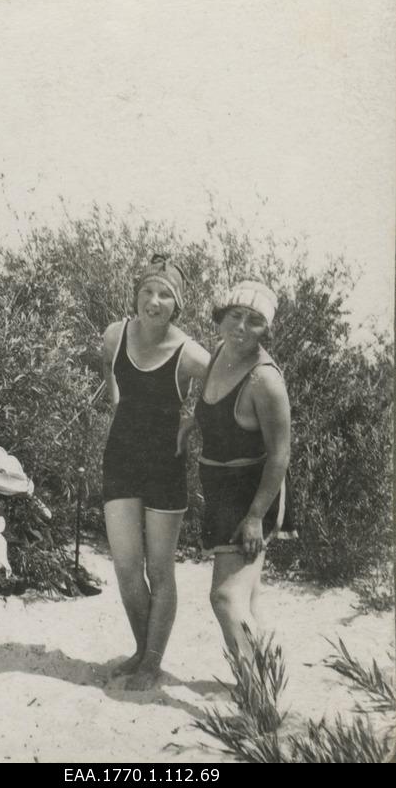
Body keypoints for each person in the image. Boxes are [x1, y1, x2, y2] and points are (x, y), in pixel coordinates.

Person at [102, 254, 209, 691]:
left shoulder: (189, 353)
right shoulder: (115, 334)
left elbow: (229, 382)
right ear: (136, 295)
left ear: (177, 305)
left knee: (160, 569)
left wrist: (194, 419)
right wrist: (117, 409)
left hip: (166, 465)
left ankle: (152, 662)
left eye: (165, 294)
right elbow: (110, 377)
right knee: (127, 567)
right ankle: (142, 651)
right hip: (121, 460)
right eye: (147, 290)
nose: (153, 300)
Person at [194, 280, 297, 659]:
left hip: (254, 493)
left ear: (265, 329)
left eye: (253, 321)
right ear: (220, 317)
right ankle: (267, 680)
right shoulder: (221, 352)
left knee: (224, 596)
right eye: (235, 316)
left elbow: (279, 456)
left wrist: (255, 517)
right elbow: (216, 410)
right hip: (222, 488)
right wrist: (192, 422)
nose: (241, 327)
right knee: (247, 597)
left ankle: (254, 692)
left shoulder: (265, 380)